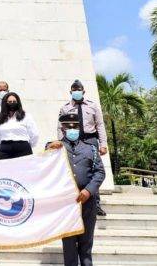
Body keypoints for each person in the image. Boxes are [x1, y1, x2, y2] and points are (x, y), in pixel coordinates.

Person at [47, 113, 106, 266]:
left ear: (80, 128)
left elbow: (100, 172)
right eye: (69, 126)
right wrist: (48, 147)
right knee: (69, 246)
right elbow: (44, 166)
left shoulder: (91, 149)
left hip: (87, 201)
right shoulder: (55, 148)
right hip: (66, 204)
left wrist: (88, 190)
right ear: (63, 128)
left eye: (75, 126)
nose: (72, 129)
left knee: (86, 245)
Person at [59, 79, 109, 216]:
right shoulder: (65, 108)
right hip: (72, 140)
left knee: (93, 171)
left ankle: (95, 204)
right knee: (74, 170)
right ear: (70, 92)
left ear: (83, 91)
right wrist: (61, 144)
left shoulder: (92, 106)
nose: (76, 91)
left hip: (90, 139)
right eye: (74, 90)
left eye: (78, 89)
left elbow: (100, 125)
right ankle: (73, 200)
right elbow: (61, 127)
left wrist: (103, 144)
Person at [0, 92, 39, 159]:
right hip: (5, 150)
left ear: (18, 102)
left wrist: (27, 145)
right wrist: (4, 145)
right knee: (5, 169)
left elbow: (34, 134)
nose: (12, 103)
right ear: (5, 103)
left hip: (23, 149)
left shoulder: (26, 116)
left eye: (14, 101)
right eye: (9, 101)